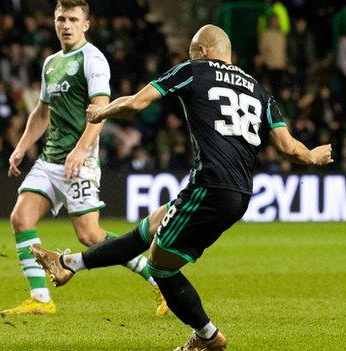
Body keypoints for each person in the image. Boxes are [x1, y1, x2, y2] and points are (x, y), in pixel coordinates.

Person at [32, 24, 333, 351]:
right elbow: (289, 148)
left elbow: (136, 103)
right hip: (240, 192)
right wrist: (314, 157)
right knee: (148, 231)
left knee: (159, 266)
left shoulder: (194, 70)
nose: (189, 57)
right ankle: (68, 265)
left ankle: (207, 337)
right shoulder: (258, 90)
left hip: (210, 186)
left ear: (202, 51)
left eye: (192, 51)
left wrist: (100, 112)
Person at [2, 0, 167, 317]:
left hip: (81, 160)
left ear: (86, 24)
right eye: (60, 18)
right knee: (20, 218)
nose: (66, 25)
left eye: (73, 19)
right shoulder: (51, 63)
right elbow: (41, 112)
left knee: (90, 235)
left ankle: (160, 283)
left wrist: (80, 149)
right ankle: (40, 299)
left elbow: (101, 109)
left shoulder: (93, 60)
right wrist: (22, 146)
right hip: (50, 158)